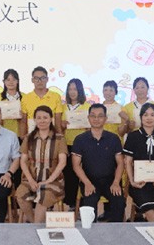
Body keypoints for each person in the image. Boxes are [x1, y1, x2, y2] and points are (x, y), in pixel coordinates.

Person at [72, 103, 125, 222]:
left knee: (119, 202)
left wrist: (116, 182)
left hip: (110, 180)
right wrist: (86, 183)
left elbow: (121, 163)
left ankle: (116, 230)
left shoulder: (114, 138)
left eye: (100, 116)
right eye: (93, 116)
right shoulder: (80, 139)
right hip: (89, 180)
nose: (96, 119)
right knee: (89, 205)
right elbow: (76, 165)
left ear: (105, 118)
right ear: (88, 118)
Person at [123, 103, 154, 222]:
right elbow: (128, 161)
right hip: (140, 183)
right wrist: (132, 181)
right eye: (145, 115)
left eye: (152, 115)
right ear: (141, 117)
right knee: (149, 210)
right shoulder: (133, 136)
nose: (149, 118)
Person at [16, 106, 67, 223]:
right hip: (31, 179)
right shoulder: (28, 138)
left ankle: (35, 225)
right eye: (38, 118)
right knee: (20, 194)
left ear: (51, 119)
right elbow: (23, 161)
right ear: (34, 120)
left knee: (44, 194)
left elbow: (62, 162)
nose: (42, 120)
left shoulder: (59, 139)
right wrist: (31, 180)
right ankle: (34, 223)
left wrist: (48, 181)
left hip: (53, 181)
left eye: (45, 117)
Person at [61, 79, 89, 210]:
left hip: (83, 145)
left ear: (80, 91)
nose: (72, 92)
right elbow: (59, 128)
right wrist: (62, 125)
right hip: (67, 144)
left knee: (82, 174)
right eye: (70, 89)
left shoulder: (86, 107)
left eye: (75, 89)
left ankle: (83, 204)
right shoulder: (63, 107)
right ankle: (71, 204)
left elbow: (91, 127)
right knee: (69, 175)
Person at [20, 66, 63, 137]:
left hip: (51, 137)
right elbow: (23, 121)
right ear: (32, 80)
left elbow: (57, 122)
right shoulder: (26, 98)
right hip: (32, 138)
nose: (39, 81)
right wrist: (23, 138)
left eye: (42, 78)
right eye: (36, 78)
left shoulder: (56, 96)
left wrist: (60, 138)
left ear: (47, 79)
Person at [0, 69, 24, 138]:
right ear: (4, 81)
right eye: (8, 80)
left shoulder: (25, 97)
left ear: (18, 81)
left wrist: (23, 116)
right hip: (3, 136)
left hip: (21, 135)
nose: (11, 82)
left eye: (14, 79)